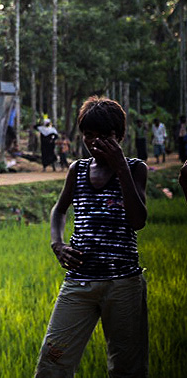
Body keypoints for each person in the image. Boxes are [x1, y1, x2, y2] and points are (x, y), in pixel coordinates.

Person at [34, 97, 147, 377]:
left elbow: (138, 221)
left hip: (123, 284)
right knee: (53, 360)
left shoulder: (135, 169)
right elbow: (59, 211)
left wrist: (120, 168)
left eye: (104, 136)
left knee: (127, 367)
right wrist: (57, 243)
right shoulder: (78, 169)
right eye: (89, 135)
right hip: (79, 281)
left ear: (119, 136)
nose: (95, 142)